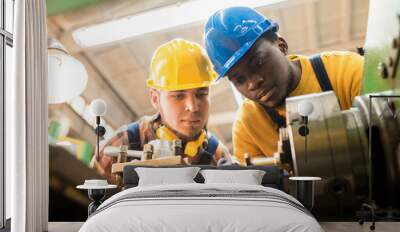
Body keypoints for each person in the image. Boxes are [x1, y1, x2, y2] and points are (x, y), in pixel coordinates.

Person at [204, 6, 364, 163]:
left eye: (258, 62)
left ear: (281, 46)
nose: (253, 83)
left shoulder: (346, 71)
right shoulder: (248, 126)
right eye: (239, 80)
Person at [92, 39, 231, 184]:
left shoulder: (219, 155)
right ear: (155, 99)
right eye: (179, 95)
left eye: (201, 94)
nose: (193, 107)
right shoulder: (118, 146)